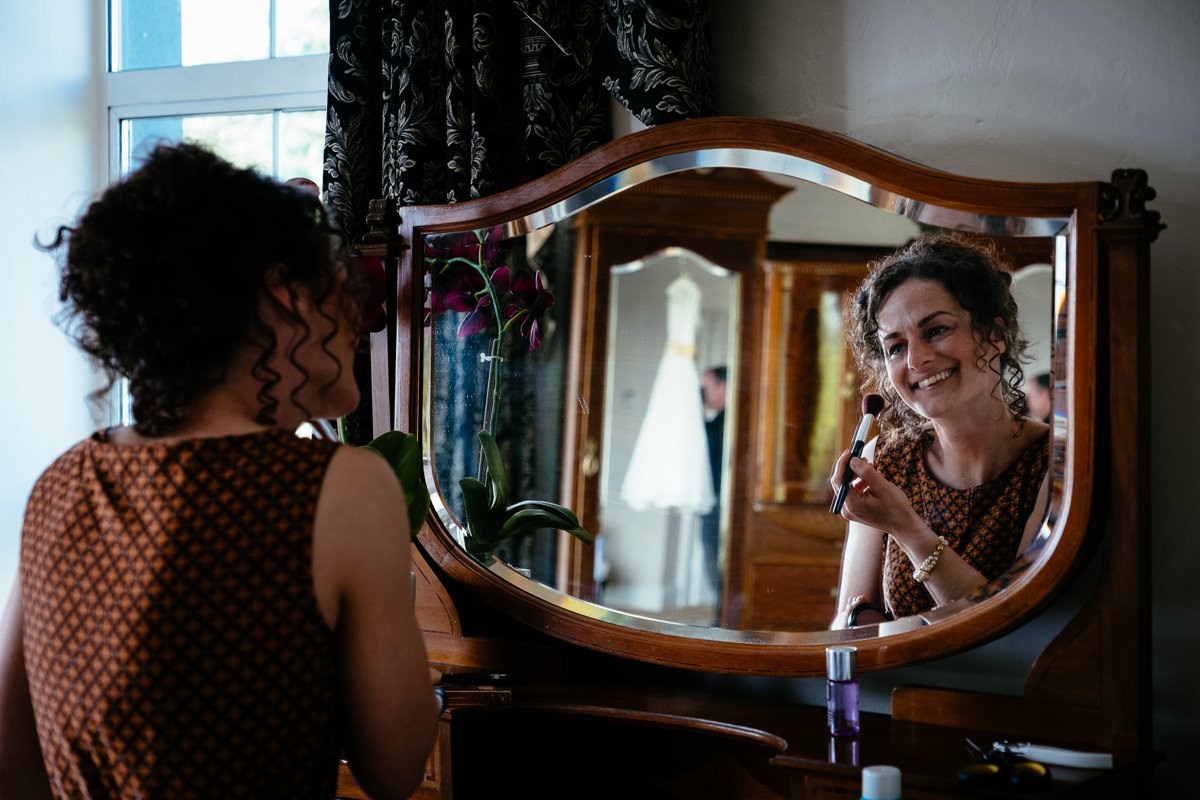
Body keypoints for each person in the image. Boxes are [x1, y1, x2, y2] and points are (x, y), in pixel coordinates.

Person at [0, 143, 438, 799]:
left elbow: (14, 759)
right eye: (337, 283)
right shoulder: (337, 488)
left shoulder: (63, 483)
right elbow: (397, 770)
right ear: (282, 295)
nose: (355, 315)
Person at [829, 234, 1050, 630]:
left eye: (935, 331)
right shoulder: (884, 460)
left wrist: (907, 528)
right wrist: (855, 618)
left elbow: (1014, 628)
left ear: (995, 335)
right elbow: (848, 625)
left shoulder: (1053, 462)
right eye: (895, 347)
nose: (916, 359)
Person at [699, 366, 727, 599]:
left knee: (713, 558)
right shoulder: (719, 422)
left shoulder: (722, 425)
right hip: (717, 501)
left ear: (722, 386)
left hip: (718, 502)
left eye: (705, 388)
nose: (703, 394)